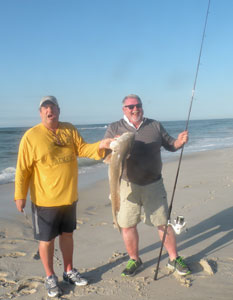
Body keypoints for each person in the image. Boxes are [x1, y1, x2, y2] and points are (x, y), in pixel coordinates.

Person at [14, 96, 113, 298]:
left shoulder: (69, 129)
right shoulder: (31, 136)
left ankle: (68, 271)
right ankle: (50, 276)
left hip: (69, 197)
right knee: (47, 240)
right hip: (45, 201)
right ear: (40, 113)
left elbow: (83, 149)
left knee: (67, 236)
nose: (50, 110)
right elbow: (22, 169)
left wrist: (102, 144)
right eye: (45, 108)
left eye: (53, 107)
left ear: (59, 110)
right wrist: (20, 195)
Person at [104, 94, 191, 277]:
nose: (135, 109)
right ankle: (134, 259)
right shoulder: (114, 127)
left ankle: (173, 258)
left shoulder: (155, 125)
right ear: (124, 109)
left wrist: (180, 142)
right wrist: (111, 143)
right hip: (127, 185)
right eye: (130, 106)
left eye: (138, 105)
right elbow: (103, 153)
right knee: (127, 226)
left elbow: (171, 145)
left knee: (163, 223)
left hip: (153, 183)